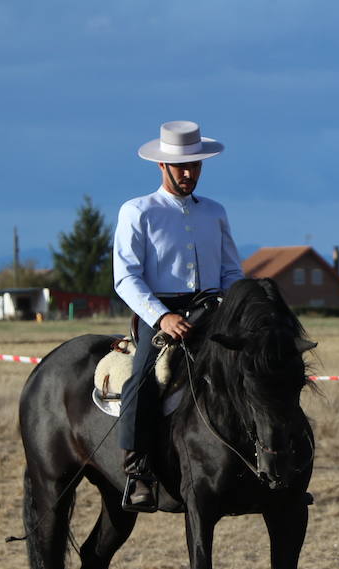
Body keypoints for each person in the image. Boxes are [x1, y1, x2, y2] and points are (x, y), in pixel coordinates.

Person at [113, 120, 245, 511]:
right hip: (161, 316)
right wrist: (162, 317)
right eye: (181, 167)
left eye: (196, 166)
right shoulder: (138, 211)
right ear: (162, 167)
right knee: (144, 378)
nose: (189, 174)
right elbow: (125, 278)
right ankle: (138, 470)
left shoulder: (215, 213)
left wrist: (237, 305)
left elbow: (231, 271)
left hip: (211, 311)